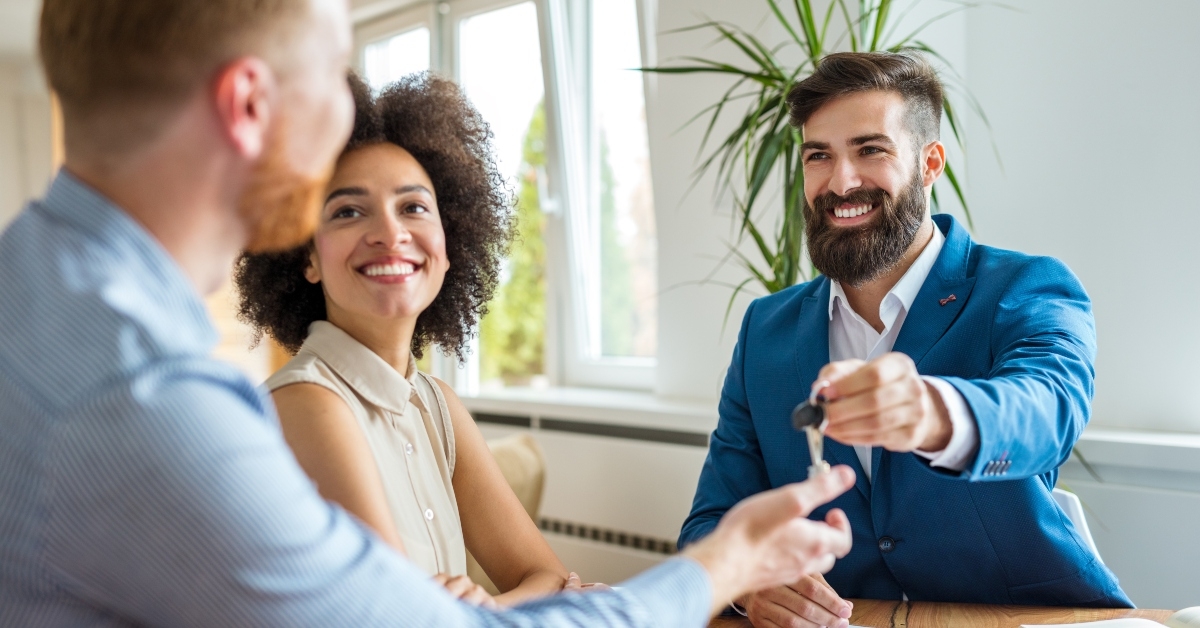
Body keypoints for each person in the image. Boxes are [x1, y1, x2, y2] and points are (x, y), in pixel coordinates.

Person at [0, 1, 857, 626]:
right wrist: (721, 564)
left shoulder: (42, 302)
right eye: (333, 81)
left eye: (415, 206)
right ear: (249, 105)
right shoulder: (145, 394)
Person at [679, 51, 1133, 628]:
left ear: (929, 163)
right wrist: (749, 582)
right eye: (820, 156)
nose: (841, 181)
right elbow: (710, 521)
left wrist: (933, 414)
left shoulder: (1025, 287)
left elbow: (1048, 412)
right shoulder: (765, 329)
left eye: (871, 150)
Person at [234, 72, 565, 607]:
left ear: (448, 242)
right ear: (307, 255)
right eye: (347, 211)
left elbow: (549, 576)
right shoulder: (305, 404)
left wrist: (481, 609)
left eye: (413, 207)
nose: (390, 233)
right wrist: (483, 610)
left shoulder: (436, 405)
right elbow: (402, 616)